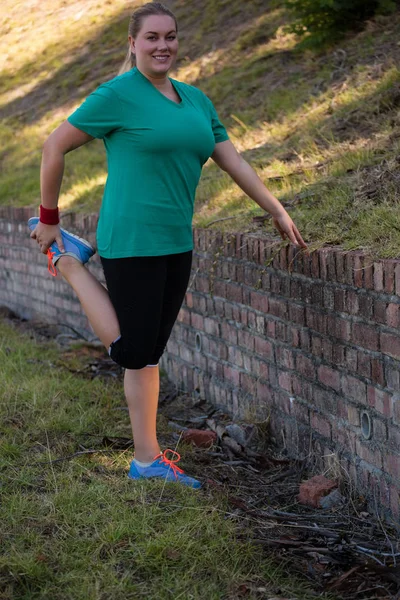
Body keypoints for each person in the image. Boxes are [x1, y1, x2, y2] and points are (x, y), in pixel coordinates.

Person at [29, 2, 307, 489]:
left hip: (176, 240)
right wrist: (49, 220)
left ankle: (147, 460)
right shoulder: (117, 95)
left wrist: (275, 208)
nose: (163, 46)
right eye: (152, 37)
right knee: (131, 351)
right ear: (132, 44)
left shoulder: (196, 100)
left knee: (150, 353)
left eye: (170, 37)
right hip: (131, 237)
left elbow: (232, 160)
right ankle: (69, 261)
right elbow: (54, 146)